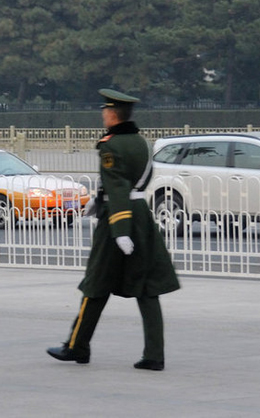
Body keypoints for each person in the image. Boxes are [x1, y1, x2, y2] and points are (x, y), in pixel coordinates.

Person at [47, 88, 180, 371]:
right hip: (141, 215)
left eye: (105, 111)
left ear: (112, 115)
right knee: (147, 289)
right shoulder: (141, 142)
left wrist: (119, 228)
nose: (103, 115)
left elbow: (118, 186)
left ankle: (77, 346)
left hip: (116, 220)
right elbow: (134, 183)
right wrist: (99, 201)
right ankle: (154, 355)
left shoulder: (111, 145)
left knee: (96, 284)